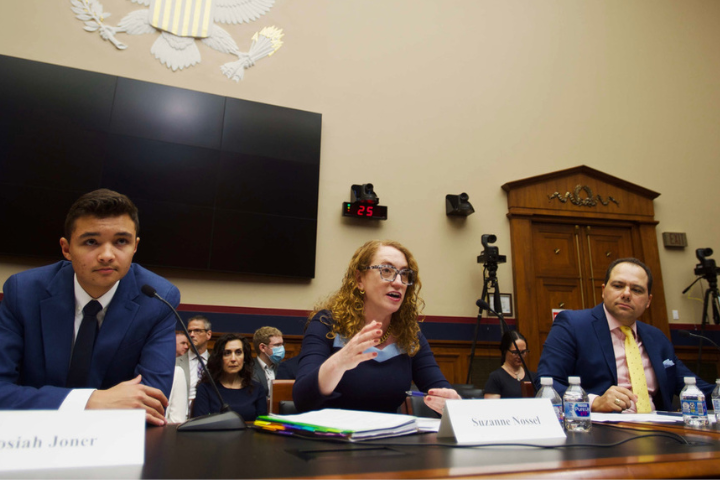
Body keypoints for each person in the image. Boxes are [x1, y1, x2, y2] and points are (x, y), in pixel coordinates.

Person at [0, 188, 179, 426]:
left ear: (135, 246)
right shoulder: (23, 292)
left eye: (121, 241)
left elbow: (151, 406)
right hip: (31, 438)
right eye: (91, 242)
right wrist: (89, 401)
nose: (107, 255)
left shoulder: (158, 299)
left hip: (115, 445)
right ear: (66, 248)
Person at [293, 240, 460, 414]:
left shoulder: (409, 334)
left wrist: (452, 402)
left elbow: (440, 390)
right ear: (359, 279)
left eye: (404, 274)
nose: (398, 282)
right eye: (386, 271)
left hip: (389, 437)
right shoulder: (327, 324)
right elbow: (302, 399)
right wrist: (339, 362)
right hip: (331, 437)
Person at [536, 257, 715, 412]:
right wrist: (594, 402)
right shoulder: (573, 324)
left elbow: (694, 387)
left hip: (660, 431)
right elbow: (546, 383)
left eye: (637, 290)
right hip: (598, 434)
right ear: (603, 290)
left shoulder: (656, 338)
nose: (626, 294)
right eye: (618, 286)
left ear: (648, 301)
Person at [192, 333, 267, 421]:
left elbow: (262, 426)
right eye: (227, 353)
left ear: (244, 357)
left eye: (238, 352)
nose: (233, 359)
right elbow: (199, 427)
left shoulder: (257, 389)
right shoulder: (206, 389)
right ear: (219, 358)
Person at [484, 330, 534, 399]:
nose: (520, 356)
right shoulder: (496, 378)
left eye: (523, 352)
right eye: (515, 352)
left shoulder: (533, 377)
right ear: (505, 351)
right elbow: (492, 407)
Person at [175, 315, 212, 407]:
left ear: (208, 334)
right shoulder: (175, 363)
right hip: (181, 414)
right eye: (189, 331)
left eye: (197, 331)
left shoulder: (217, 363)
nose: (191, 334)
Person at [252, 326, 285, 396]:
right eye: (277, 345)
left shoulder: (284, 368)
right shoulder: (249, 369)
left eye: (282, 344)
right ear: (263, 347)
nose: (282, 348)